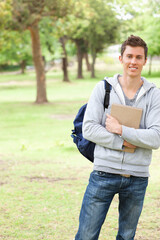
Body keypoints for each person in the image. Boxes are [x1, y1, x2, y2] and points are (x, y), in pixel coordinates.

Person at [74, 35, 160, 240]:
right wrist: (125, 143)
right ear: (120, 59)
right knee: (86, 235)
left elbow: (156, 137)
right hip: (103, 173)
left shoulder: (154, 94)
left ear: (145, 61)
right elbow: (89, 129)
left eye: (138, 57)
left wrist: (121, 130)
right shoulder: (103, 88)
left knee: (126, 237)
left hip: (137, 177)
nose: (133, 61)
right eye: (129, 56)